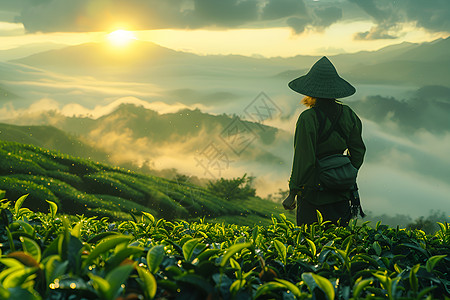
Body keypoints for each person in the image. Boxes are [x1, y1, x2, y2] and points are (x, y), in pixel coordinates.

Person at [282, 56, 366, 226]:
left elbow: (304, 159)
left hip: (314, 195)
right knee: (338, 245)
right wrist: (342, 173)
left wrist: (293, 192)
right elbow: (358, 152)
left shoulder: (308, 118)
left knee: (310, 244)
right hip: (342, 195)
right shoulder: (348, 114)